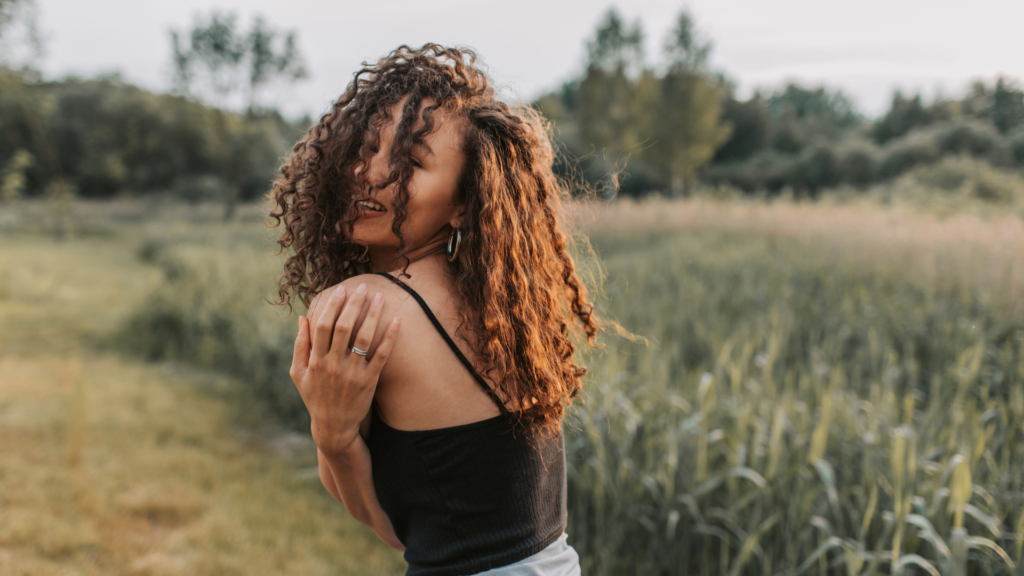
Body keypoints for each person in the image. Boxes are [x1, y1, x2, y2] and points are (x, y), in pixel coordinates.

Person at [269, 44, 602, 575]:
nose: (370, 174)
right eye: (368, 147)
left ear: (465, 202)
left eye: (410, 162)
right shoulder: (501, 307)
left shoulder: (361, 306)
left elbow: (389, 528)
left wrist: (332, 437)